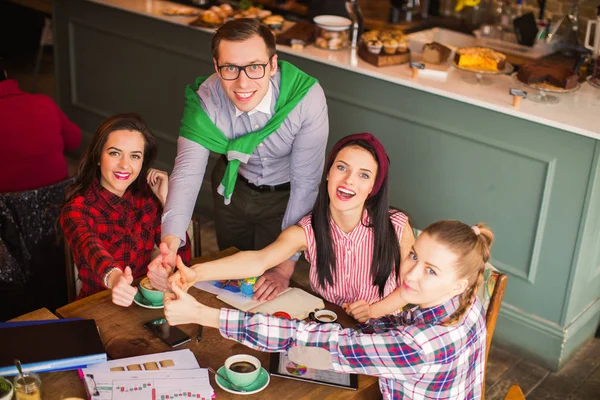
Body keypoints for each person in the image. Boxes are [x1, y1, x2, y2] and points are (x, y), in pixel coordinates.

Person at [164, 220, 492, 400]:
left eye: (431, 270)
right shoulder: (466, 304)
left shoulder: (422, 344)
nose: (411, 272)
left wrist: (204, 315)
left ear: (458, 284)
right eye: (414, 256)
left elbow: (323, 342)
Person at [155, 18, 329, 299]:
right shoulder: (205, 100)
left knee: (266, 288)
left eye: (255, 67)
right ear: (216, 67)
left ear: (273, 65)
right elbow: (187, 174)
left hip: (283, 200)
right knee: (232, 283)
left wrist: (284, 268)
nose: (243, 82)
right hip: (231, 190)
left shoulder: (305, 98)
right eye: (230, 68)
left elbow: (306, 184)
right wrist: (169, 244)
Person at [157, 133, 415, 321]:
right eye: (341, 167)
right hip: (329, 326)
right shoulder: (309, 230)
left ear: (373, 187)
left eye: (364, 175)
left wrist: (373, 311)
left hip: (387, 330)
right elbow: (259, 260)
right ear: (328, 173)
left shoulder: (397, 227)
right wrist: (195, 273)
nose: (349, 180)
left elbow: (411, 287)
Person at [60, 113, 189, 306]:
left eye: (134, 156)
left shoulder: (147, 199)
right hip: (97, 307)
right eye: (114, 153)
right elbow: (91, 248)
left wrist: (166, 202)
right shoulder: (77, 209)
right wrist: (115, 278)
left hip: (145, 304)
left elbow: (183, 261)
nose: (124, 165)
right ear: (98, 157)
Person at [0, 58, 81, 192]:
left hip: (7, 207)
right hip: (55, 200)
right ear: (6, 73)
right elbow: (74, 141)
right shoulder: (44, 103)